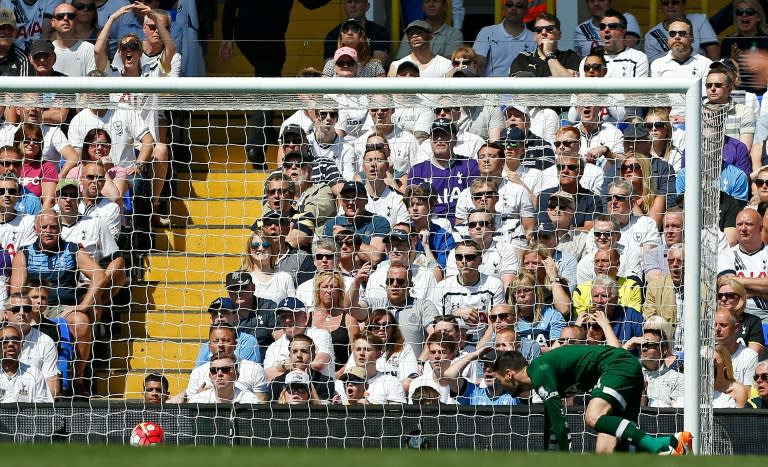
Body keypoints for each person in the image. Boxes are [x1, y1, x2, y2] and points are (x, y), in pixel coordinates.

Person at [491, 346, 692, 454]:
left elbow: (560, 425)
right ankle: (674, 442)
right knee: (606, 453)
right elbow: (552, 425)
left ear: (509, 374)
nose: (502, 388)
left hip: (616, 366)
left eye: (500, 381)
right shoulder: (542, 380)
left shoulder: (539, 371)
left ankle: (656, 447)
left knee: (593, 417)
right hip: (624, 370)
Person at [219, 0, 331, 165]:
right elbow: (311, 3)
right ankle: (255, 144)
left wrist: (227, 38)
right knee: (268, 81)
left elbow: (230, 6)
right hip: (269, 38)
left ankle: (265, 130)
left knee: (267, 75)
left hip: (245, 35)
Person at [11, 209, 106, 321]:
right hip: (34, 309)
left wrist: (83, 306)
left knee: (81, 319)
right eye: (43, 227)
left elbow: (100, 275)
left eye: (53, 227)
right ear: (35, 230)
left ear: (60, 229)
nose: (48, 231)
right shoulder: (24, 254)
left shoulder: (72, 250)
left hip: (66, 309)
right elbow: (16, 292)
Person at [407, 119, 480, 225]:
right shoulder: (418, 170)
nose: (440, 139)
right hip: (430, 225)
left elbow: (475, 201)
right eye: (435, 136)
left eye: (445, 135)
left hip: (464, 225)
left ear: (455, 139)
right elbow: (414, 205)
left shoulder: (469, 165)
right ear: (430, 140)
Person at [357, 264, 440, 356]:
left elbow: (435, 335)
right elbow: (352, 309)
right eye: (390, 281)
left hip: (412, 368)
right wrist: (356, 282)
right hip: (377, 367)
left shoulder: (423, 306)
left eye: (400, 281)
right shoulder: (375, 304)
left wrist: (420, 362)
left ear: (410, 284)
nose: (395, 284)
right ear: (386, 284)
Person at [435, 240, 505, 349]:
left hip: (485, 343)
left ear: (480, 260)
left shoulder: (494, 285)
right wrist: (456, 313)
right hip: (451, 344)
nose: (463, 261)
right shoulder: (442, 287)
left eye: (469, 257)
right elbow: (438, 325)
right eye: (459, 257)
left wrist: (478, 349)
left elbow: (496, 324)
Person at [649, 17, 713, 121]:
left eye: (682, 34)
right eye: (672, 34)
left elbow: (708, 101)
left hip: (698, 123)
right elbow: (657, 102)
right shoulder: (657, 65)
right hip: (666, 124)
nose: (677, 37)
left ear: (692, 38)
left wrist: (687, 120)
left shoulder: (706, 64)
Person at [263, 297, 334, 380]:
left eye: (292, 315)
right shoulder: (273, 347)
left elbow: (319, 364)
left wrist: (284, 367)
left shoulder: (320, 335)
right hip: (287, 391)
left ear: (305, 317)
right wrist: (285, 365)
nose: (288, 320)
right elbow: (267, 375)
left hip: (322, 388)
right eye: (283, 316)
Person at [335, 332, 406, 404]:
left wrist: (370, 408)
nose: (361, 353)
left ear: (378, 354)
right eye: (358, 349)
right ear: (353, 353)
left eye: (367, 349)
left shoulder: (391, 382)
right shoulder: (340, 383)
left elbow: (397, 414)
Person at [471, 0, 535, 77]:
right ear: (504, 8)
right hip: (491, 87)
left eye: (519, 6)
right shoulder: (487, 32)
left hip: (523, 88)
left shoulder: (534, 38)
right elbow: (477, 64)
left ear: (526, 11)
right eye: (509, 4)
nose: (513, 8)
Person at [225, 270, 277, 360]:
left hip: (265, 364)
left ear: (253, 287)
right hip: (232, 365)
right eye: (234, 288)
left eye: (243, 287)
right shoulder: (224, 312)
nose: (238, 292)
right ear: (228, 292)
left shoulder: (269, 307)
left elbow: (281, 342)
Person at [645, 0, 720, 62]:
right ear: (661, 7)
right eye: (665, 3)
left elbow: (713, 50)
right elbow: (653, 64)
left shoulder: (699, 20)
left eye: (675, 2)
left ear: (684, 5)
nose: (670, 6)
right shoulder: (651, 35)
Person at [194, 297, 261, 366]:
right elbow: (199, 373)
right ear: (211, 320)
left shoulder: (247, 342)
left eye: (224, 312)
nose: (219, 317)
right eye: (215, 314)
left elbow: (245, 373)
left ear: (235, 317)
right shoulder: (206, 346)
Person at [509, 13, 580, 78]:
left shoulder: (569, 56)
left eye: (549, 29)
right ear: (534, 36)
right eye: (538, 30)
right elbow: (521, 89)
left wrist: (549, 54)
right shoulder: (523, 58)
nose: (543, 33)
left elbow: (569, 86)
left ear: (559, 35)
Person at [628, 325, 684, 408]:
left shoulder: (678, 379)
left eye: (650, 345)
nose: (644, 349)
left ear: (664, 350)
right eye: (641, 345)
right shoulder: (630, 373)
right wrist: (626, 347)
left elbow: (677, 415)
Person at [643, 243, 685, 350]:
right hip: (664, 350)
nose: (675, 264)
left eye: (679, 261)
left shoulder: (704, 290)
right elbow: (650, 324)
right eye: (671, 261)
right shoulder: (654, 287)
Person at [268, 334, 335, 402]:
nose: (299, 355)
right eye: (295, 351)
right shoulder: (276, 382)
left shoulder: (326, 382)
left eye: (304, 351)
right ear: (289, 356)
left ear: (313, 356)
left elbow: (322, 411)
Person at [720, 0, 768, 94]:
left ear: (758, 17)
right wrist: (733, 61)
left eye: (749, 12)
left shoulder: (766, 40)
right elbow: (721, 75)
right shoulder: (728, 42)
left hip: (764, 96)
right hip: (737, 95)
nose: (744, 15)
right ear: (736, 17)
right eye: (739, 12)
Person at [508, 272, 566, 349]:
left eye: (526, 290)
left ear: (536, 292)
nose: (522, 295)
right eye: (518, 292)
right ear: (513, 296)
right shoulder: (508, 318)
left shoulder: (552, 316)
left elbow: (557, 349)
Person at [323, 0, 388, 65]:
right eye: (349, 2)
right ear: (344, 7)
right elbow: (330, 65)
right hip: (343, 74)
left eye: (357, 1)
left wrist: (354, 70)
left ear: (367, 6)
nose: (352, 5)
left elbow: (379, 61)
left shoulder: (379, 31)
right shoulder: (333, 34)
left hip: (370, 75)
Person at [239, 228, 295, 304]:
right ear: (249, 250)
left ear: (272, 249)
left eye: (265, 245)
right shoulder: (243, 279)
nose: (261, 248)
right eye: (255, 245)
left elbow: (293, 308)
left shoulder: (284, 278)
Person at [0, 323, 53, 403]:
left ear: (21, 345)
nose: (10, 344)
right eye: (5, 341)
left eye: (15, 340)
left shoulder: (34, 374)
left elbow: (44, 409)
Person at [394, 0, 463, 60]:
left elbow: (450, 62)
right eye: (427, 1)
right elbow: (400, 60)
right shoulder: (412, 30)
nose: (431, 4)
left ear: (445, 6)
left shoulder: (455, 34)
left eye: (436, 1)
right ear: (423, 7)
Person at [449, 348, 520, 406]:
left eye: (493, 366)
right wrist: (473, 355)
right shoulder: (474, 394)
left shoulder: (514, 397)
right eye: (485, 366)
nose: (488, 370)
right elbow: (450, 376)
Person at [187, 353, 263, 404]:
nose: (219, 374)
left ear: (236, 375)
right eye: (214, 370)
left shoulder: (249, 400)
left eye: (225, 369)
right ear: (210, 376)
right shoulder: (198, 401)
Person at [387, 20, 452, 78]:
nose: (414, 36)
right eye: (411, 33)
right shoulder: (396, 66)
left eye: (419, 32)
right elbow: (389, 91)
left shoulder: (447, 65)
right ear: (407, 40)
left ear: (430, 36)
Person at [717, 277, 765, 354]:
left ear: (740, 298)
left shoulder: (752, 321)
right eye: (719, 296)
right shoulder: (710, 320)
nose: (723, 299)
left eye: (729, 295)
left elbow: (753, 354)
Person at [16, 123, 57, 210]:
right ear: (17, 142)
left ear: (40, 145)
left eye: (36, 141)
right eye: (26, 140)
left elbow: (49, 201)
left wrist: (40, 218)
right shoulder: (9, 164)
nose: (31, 143)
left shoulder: (46, 167)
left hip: (35, 213)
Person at [714, 309, 759, 386]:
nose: (717, 329)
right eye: (714, 325)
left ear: (736, 328)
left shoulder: (750, 356)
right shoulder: (705, 354)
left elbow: (748, 392)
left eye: (723, 325)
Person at [51, 2, 96, 77]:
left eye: (71, 16)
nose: (65, 18)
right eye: (60, 16)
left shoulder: (89, 49)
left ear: (77, 21)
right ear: (53, 22)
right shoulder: (47, 50)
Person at [0, 8, 31, 77]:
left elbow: (23, 87)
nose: (6, 32)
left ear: (16, 32)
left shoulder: (23, 59)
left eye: (10, 28)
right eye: (1, 27)